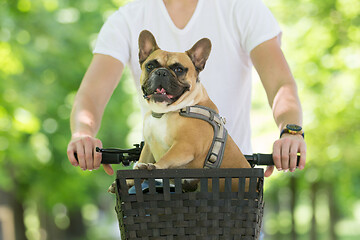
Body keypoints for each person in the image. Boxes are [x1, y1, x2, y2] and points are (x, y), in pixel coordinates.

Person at [67, 0, 306, 178]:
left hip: (229, 183)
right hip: (158, 185)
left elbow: (280, 84)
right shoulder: (126, 19)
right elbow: (91, 94)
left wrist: (291, 131)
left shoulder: (242, 9)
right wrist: (82, 133)